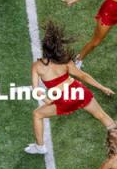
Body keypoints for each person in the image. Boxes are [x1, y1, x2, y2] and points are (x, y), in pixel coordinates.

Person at [25, 21, 115, 155]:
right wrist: (102, 88)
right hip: (79, 92)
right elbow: (83, 76)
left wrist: (46, 100)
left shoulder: (37, 66)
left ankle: (40, 146)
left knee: (37, 114)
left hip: (64, 99)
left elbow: (35, 89)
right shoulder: (65, 60)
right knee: (103, 117)